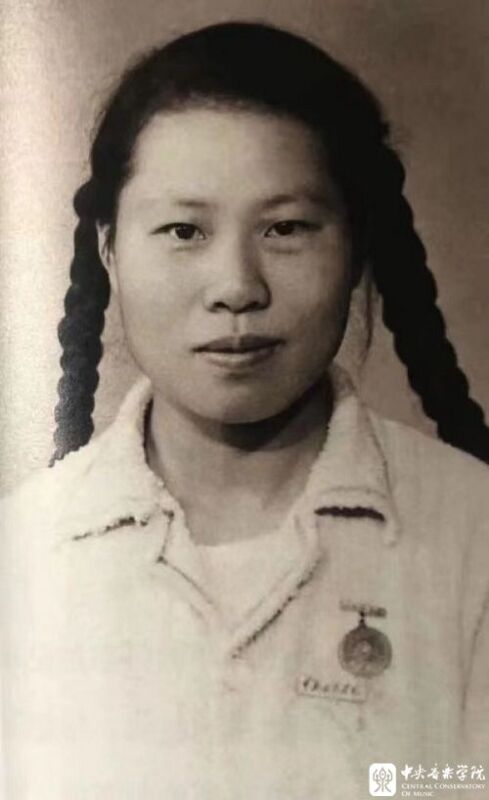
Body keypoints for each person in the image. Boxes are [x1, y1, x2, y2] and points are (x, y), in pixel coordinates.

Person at [1, 20, 488, 800]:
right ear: (110, 250)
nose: (236, 285)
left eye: (286, 228)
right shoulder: (22, 556)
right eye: (183, 231)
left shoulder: (472, 534)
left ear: (356, 249)